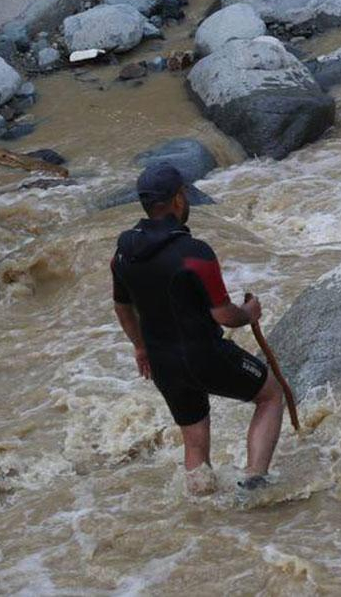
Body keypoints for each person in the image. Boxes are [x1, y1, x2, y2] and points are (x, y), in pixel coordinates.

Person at [110, 164, 285, 496]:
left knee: (194, 438)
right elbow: (224, 316)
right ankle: (254, 484)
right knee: (270, 394)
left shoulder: (123, 252)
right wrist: (250, 312)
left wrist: (140, 347)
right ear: (178, 199)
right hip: (203, 355)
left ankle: (202, 509)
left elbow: (122, 307)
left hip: (163, 363)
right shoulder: (195, 254)